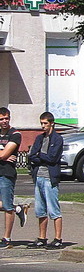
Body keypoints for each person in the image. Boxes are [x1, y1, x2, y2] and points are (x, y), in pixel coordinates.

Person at [26, 111, 64, 249]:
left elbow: (53, 158)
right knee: (40, 209)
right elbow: (31, 156)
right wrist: (41, 156)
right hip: (39, 176)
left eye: (45, 123)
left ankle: (58, 238)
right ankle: (42, 237)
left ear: (52, 123)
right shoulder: (39, 138)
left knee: (53, 209)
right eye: (41, 123)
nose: (43, 126)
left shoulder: (57, 139)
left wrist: (40, 155)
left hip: (50, 177)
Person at [0, 107, 25, 249]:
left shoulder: (14, 134)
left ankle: (7, 238)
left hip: (6, 173)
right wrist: (3, 153)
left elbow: (4, 155)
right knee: (7, 205)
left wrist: (4, 154)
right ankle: (18, 209)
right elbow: (3, 154)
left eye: (6, 118)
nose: (4, 121)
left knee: (7, 206)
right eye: (1, 119)